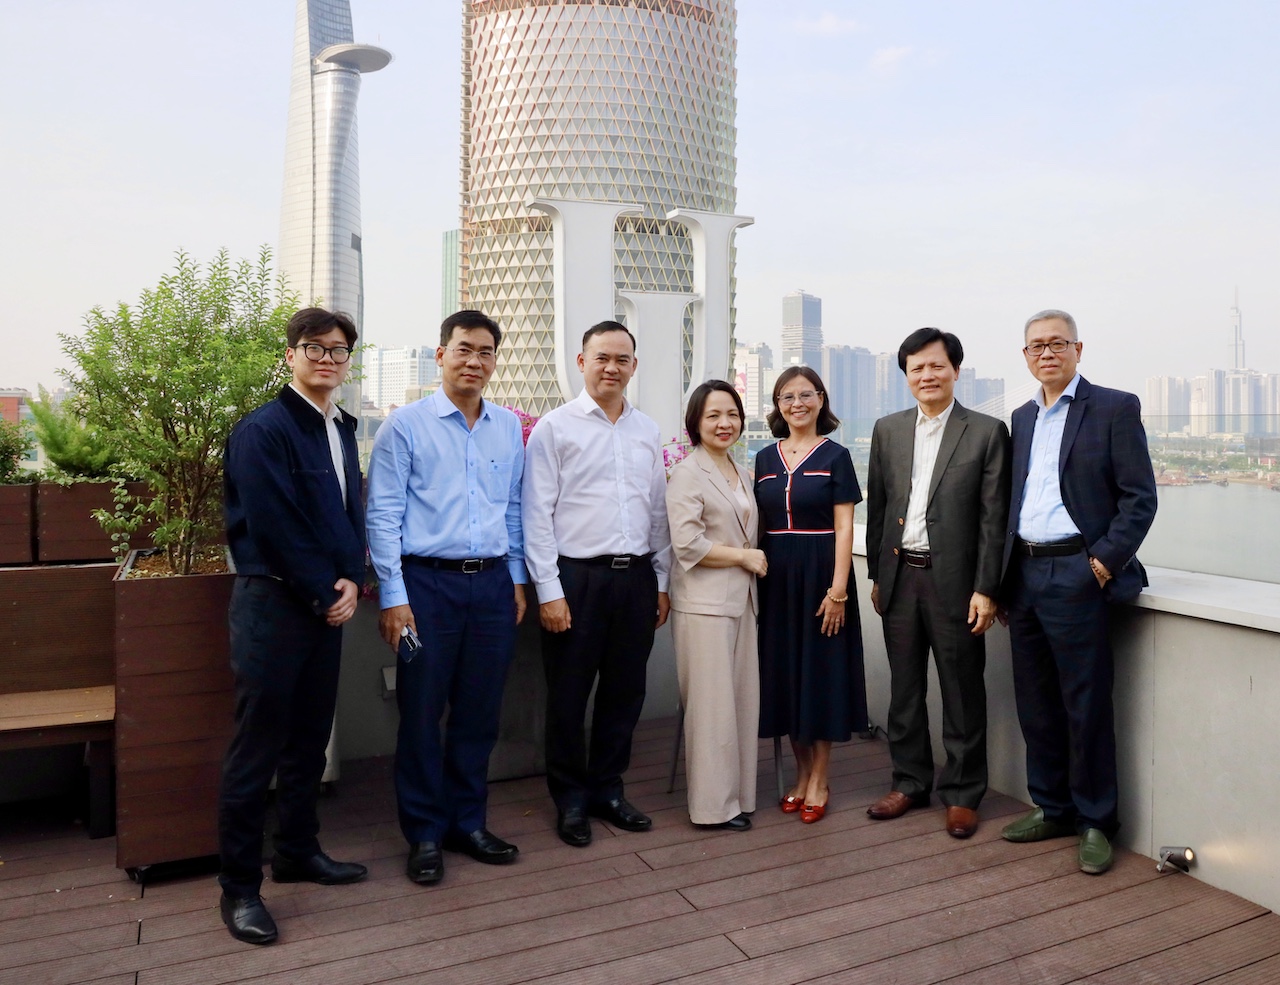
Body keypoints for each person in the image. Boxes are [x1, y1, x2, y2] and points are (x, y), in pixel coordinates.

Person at [218, 306, 368, 945]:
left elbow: (350, 512)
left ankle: (298, 852)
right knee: (256, 749)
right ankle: (239, 889)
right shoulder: (263, 430)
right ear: (291, 354)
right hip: (274, 606)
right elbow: (273, 524)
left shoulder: (341, 427)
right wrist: (326, 589)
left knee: (310, 739)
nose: (327, 359)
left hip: (325, 605)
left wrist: (354, 577)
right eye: (315, 347)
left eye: (338, 349)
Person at [366, 310, 528, 887]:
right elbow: (382, 514)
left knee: (480, 712)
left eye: (485, 352)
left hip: (491, 588)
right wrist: (393, 597)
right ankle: (425, 834)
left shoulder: (507, 427)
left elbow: (513, 507)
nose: (474, 361)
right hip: (423, 590)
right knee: (420, 710)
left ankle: (468, 823)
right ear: (441, 355)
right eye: (463, 349)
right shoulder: (405, 426)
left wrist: (516, 578)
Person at [999, 309, 1157, 875]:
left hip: (1078, 572)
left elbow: (1140, 497)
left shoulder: (1114, 407)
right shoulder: (1021, 418)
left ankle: (1095, 821)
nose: (1047, 353)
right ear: (1025, 356)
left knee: (1085, 704)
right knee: (1035, 703)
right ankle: (1053, 807)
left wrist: (1102, 563)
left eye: (1057, 343)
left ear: (1078, 349)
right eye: (1036, 346)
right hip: (1024, 575)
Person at [522, 321, 672, 847]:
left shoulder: (646, 430)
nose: (612, 367)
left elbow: (657, 511)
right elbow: (535, 514)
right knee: (568, 696)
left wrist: (661, 580)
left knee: (625, 692)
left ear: (634, 366)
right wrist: (549, 591)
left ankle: (608, 789)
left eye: (622, 359)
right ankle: (569, 800)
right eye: (602, 357)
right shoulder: (555, 428)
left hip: (635, 579)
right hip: (576, 579)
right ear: (582, 362)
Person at [864, 328, 1010, 838]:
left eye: (935, 366)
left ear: (955, 371)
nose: (926, 375)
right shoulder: (887, 430)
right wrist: (877, 574)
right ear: (906, 376)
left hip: (957, 584)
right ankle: (909, 782)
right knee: (904, 690)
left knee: (962, 690)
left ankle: (963, 793)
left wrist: (987, 588)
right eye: (916, 368)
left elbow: (994, 519)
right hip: (900, 578)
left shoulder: (987, 432)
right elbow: (879, 508)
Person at [755, 365, 868, 823]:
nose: (797, 403)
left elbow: (845, 527)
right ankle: (800, 775)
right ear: (777, 405)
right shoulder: (764, 459)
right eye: (787, 396)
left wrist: (838, 590)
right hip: (776, 577)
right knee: (784, 675)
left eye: (806, 394)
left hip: (822, 573)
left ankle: (820, 779)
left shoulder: (836, 456)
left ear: (821, 399)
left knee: (820, 676)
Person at [665, 381, 765, 832]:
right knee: (711, 711)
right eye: (713, 416)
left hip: (742, 601)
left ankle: (739, 797)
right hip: (703, 605)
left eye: (732, 414)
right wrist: (744, 558)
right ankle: (711, 808)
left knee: (741, 704)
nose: (725, 423)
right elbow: (687, 543)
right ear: (696, 422)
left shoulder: (741, 471)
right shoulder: (687, 473)